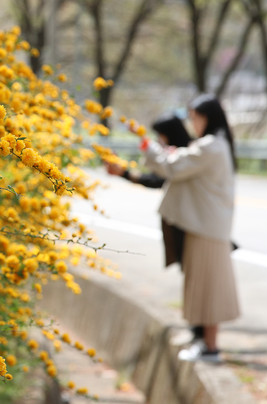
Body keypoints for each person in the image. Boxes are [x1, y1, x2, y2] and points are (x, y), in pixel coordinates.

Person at [140, 94, 240, 361]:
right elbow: (181, 162)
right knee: (207, 286)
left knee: (209, 288)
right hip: (207, 226)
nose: (192, 123)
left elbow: (171, 167)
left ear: (206, 117)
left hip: (206, 227)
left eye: (194, 117)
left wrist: (148, 146)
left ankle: (210, 347)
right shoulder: (214, 145)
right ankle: (205, 343)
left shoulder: (210, 146)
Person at [105, 114, 206, 341]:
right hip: (183, 225)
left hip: (194, 227)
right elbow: (158, 179)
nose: (159, 141)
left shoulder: (188, 156)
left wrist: (141, 142)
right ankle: (196, 331)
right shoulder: (181, 157)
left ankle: (200, 334)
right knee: (191, 278)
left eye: (160, 136)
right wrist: (124, 173)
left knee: (197, 281)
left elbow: (160, 176)